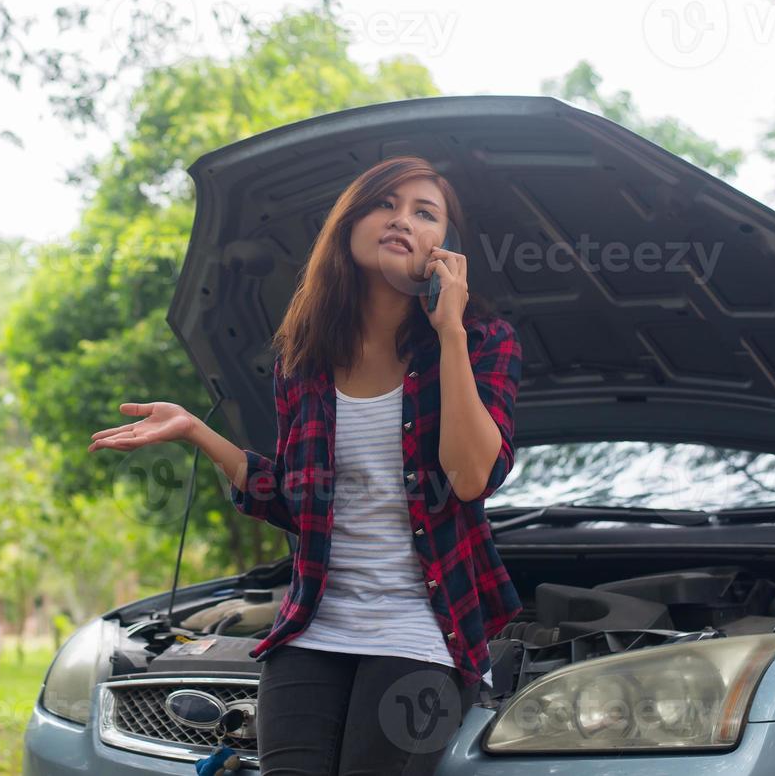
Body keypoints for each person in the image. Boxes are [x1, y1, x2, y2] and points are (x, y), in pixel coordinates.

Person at [88, 155, 524, 775]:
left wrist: (449, 328)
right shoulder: (304, 361)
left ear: (443, 250)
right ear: (350, 225)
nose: (401, 219)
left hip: (426, 634)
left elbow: (470, 476)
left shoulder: (484, 341)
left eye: (424, 213)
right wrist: (198, 433)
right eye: (384, 204)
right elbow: (294, 501)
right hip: (315, 628)